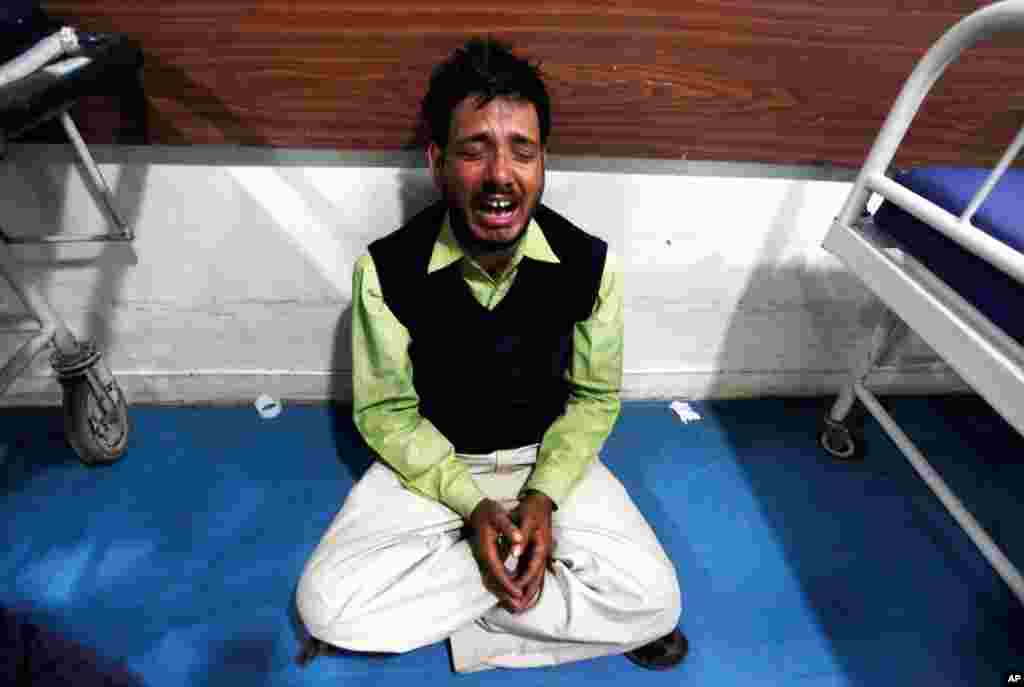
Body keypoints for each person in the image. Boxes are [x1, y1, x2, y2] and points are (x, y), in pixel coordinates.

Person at [295, 37, 688, 673]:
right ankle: (534, 594)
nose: (501, 175)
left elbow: (593, 400)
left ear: (543, 163)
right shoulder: (384, 270)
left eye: (522, 151)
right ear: (438, 162)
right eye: (475, 150)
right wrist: (471, 506)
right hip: (434, 465)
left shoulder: (592, 265)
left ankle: (463, 602)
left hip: (545, 460)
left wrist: (543, 499)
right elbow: (387, 414)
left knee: (658, 601)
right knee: (324, 605)